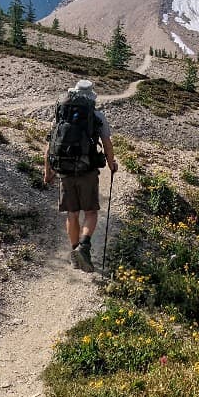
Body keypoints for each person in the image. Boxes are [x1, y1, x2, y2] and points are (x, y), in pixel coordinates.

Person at [44, 79, 118, 272]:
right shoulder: (96, 115)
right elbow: (107, 144)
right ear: (91, 96)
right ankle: (84, 247)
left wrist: (48, 171)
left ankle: (75, 253)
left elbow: (50, 145)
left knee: (72, 214)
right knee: (91, 212)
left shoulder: (61, 116)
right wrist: (112, 164)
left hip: (65, 171)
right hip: (87, 170)